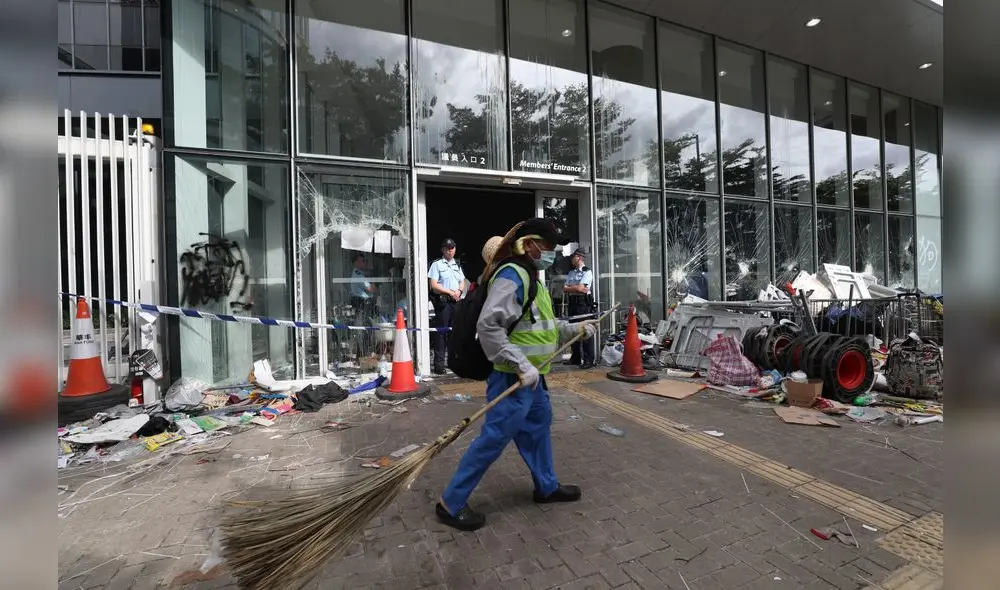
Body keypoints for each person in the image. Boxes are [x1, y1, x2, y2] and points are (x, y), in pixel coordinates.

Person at [435, 218, 599, 531]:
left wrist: (573, 329)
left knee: (538, 430)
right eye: (548, 246)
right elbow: (489, 327)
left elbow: (541, 326)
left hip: (533, 379)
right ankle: (450, 503)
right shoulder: (512, 276)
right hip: (512, 377)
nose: (552, 253)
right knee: (494, 438)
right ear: (530, 244)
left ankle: (546, 487)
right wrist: (521, 365)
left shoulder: (532, 276)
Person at [428, 238, 466, 375]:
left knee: (455, 333)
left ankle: (453, 362)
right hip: (443, 302)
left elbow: (462, 281)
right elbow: (434, 285)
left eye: (452, 248)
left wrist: (459, 291)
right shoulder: (437, 264)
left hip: (456, 302)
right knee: (441, 333)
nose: (450, 250)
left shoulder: (457, 264)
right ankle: (439, 365)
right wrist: (450, 292)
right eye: (448, 248)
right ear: (443, 250)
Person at [563, 248, 596, 369]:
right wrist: (576, 288)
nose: (572, 259)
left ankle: (588, 360)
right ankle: (575, 358)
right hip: (572, 303)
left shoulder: (587, 272)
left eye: (573, 257)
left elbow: (580, 288)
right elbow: (565, 288)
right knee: (573, 330)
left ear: (579, 257)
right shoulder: (571, 273)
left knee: (585, 331)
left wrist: (573, 288)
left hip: (583, 304)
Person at [349, 252, 376, 321]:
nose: (365, 263)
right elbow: (371, 289)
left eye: (365, 261)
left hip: (362, 303)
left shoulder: (360, 273)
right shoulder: (358, 275)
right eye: (363, 261)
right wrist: (373, 280)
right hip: (361, 303)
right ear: (356, 263)